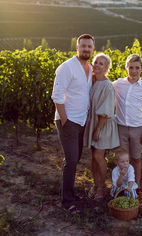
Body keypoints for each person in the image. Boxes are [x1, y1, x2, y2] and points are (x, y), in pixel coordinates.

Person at [51, 34, 95, 213]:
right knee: (71, 160)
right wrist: (65, 120)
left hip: (81, 120)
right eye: (83, 46)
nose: (86, 49)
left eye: (89, 47)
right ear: (77, 47)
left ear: (93, 49)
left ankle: (66, 193)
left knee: (75, 159)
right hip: (68, 120)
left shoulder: (90, 68)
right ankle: (67, 202)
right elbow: (56, 95)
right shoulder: (67, 67)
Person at [113, 54, 142, 198]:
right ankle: (122, 185)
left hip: (138, 129)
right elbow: (105, 87)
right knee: (122, 159)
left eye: (137, 68)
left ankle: (135, 186)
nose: (133, 71)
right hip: (121, 127)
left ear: (141, 69)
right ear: (126, 68)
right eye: (131, 67)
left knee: (136, 158)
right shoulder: (118, 84)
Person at [84, 53, 120, 200]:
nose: (97, 65)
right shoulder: (91, 82)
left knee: (99, 156)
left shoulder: (107, 86)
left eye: (101, 64)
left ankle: (101, 187)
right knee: (93, 157)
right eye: (96, 62)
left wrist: (98, 129)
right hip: (93, 123)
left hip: (102, 125)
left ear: (106, 68)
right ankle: (95, 183)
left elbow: (105, 112)